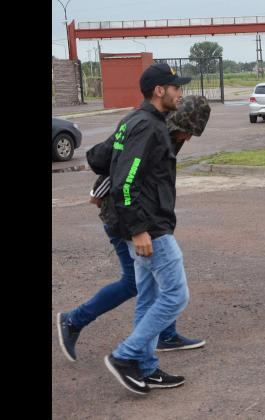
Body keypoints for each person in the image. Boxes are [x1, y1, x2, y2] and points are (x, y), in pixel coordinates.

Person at [56, 96, 212, 364]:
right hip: (124, 218)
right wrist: (99, 190)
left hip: (142, 216)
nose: (188, 138)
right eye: (188, 130)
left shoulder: (171, 134)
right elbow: (120, 166)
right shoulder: (149, 127)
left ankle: (163, 335)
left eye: (193, 134)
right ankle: (74, 320)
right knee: (135, 282)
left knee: (149, 282)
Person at [101, 63, 195, 395]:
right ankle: (125, 356)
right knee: (175, 295)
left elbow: (102, 159)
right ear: (160, 91)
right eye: (176, 88)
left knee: (149, 296)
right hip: (149, 226)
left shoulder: (138, 121)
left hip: (143, 222)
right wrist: (140, 230)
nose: (179, 93)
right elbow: (126, 182)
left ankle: (145, 367)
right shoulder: (147, 126)